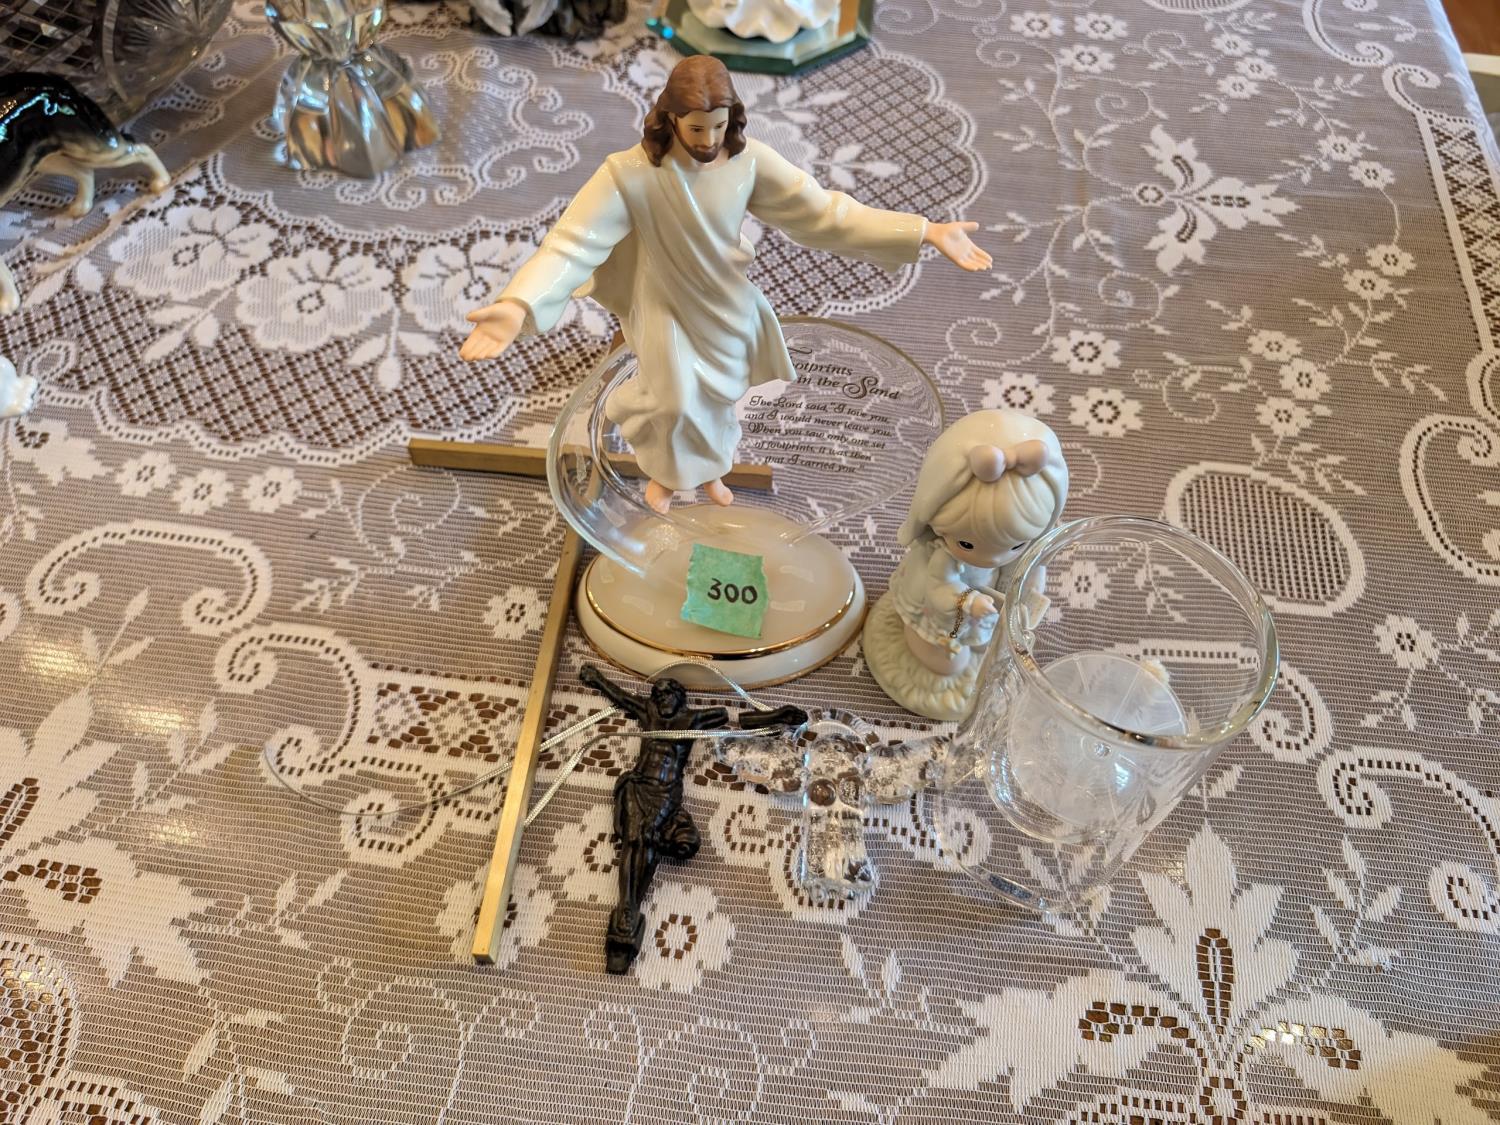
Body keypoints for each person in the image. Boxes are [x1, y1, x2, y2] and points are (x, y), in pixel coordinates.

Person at [459, 55, 991, 514]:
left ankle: (710, 471)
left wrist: (924, 231)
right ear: (670, 118)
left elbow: (825, 213)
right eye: (696, 129)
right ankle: (666, 473)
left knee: (717, 396)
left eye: (718, 126)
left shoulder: (748, 161)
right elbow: (574, 243)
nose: (709, 140)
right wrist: (519, 303)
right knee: (673, 399)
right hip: (663, 301)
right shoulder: (628, 174)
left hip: (726, 301)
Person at [578, 663, 807, 972]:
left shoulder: (692, 719)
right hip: (639, 785)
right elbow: (620, 697)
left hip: (665, 792)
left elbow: (737, 719)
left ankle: (628, 914)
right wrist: (596, 679)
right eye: (658, 694)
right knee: (634, 841)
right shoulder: (649, 712)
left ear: (679, 697)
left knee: (652, 841)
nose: (661, 699)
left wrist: (777, 715)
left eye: (667, 694)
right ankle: (627, 914)